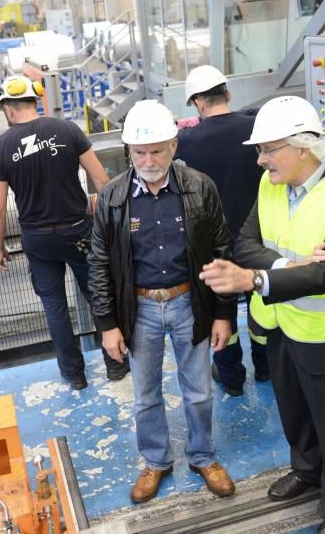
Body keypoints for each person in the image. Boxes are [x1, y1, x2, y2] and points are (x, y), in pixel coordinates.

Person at [199, 95, 325, 534]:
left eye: (268, 149)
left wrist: (256, 280)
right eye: (260, 150)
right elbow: (244, 243)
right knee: (294, 412)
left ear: (304, 147)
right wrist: (288, 265)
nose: (261, 160)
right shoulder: (271, 185)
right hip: (282, 326)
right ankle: (306, 472)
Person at [177, 66, 325, 398]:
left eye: (267, 151)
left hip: (216, 244)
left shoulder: (187, 140)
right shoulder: (253, 127)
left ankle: (230, 376)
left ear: (197, 102)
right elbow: (314, 152)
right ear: (227, 93)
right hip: (263, 237)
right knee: (262, 307)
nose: (262, 159)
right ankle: (265, 369)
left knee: (223, 314)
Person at [89, 100, 237, 504]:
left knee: (200, 390)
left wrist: (224, 314)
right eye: (140, 152)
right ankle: (155, 461)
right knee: (145, 395)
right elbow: (99, 263)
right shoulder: (114, 198)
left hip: (190, 303)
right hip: (139, 312)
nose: (148, 160)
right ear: (129, 153)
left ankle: (203, 456)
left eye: (157, 150)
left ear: (174, 146)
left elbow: (223, 250)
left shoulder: (199, 187)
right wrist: (107, 324)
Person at [0, 75, 129, 390]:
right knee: (98, 295)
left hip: (37, 239)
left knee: (54, 305)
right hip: (78, 230)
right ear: (34, 101)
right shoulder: (66, 130)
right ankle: (116, 365)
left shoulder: (2, 147)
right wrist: (110, 224)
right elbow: (102, 181)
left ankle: (74, 375)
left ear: (9, 108)